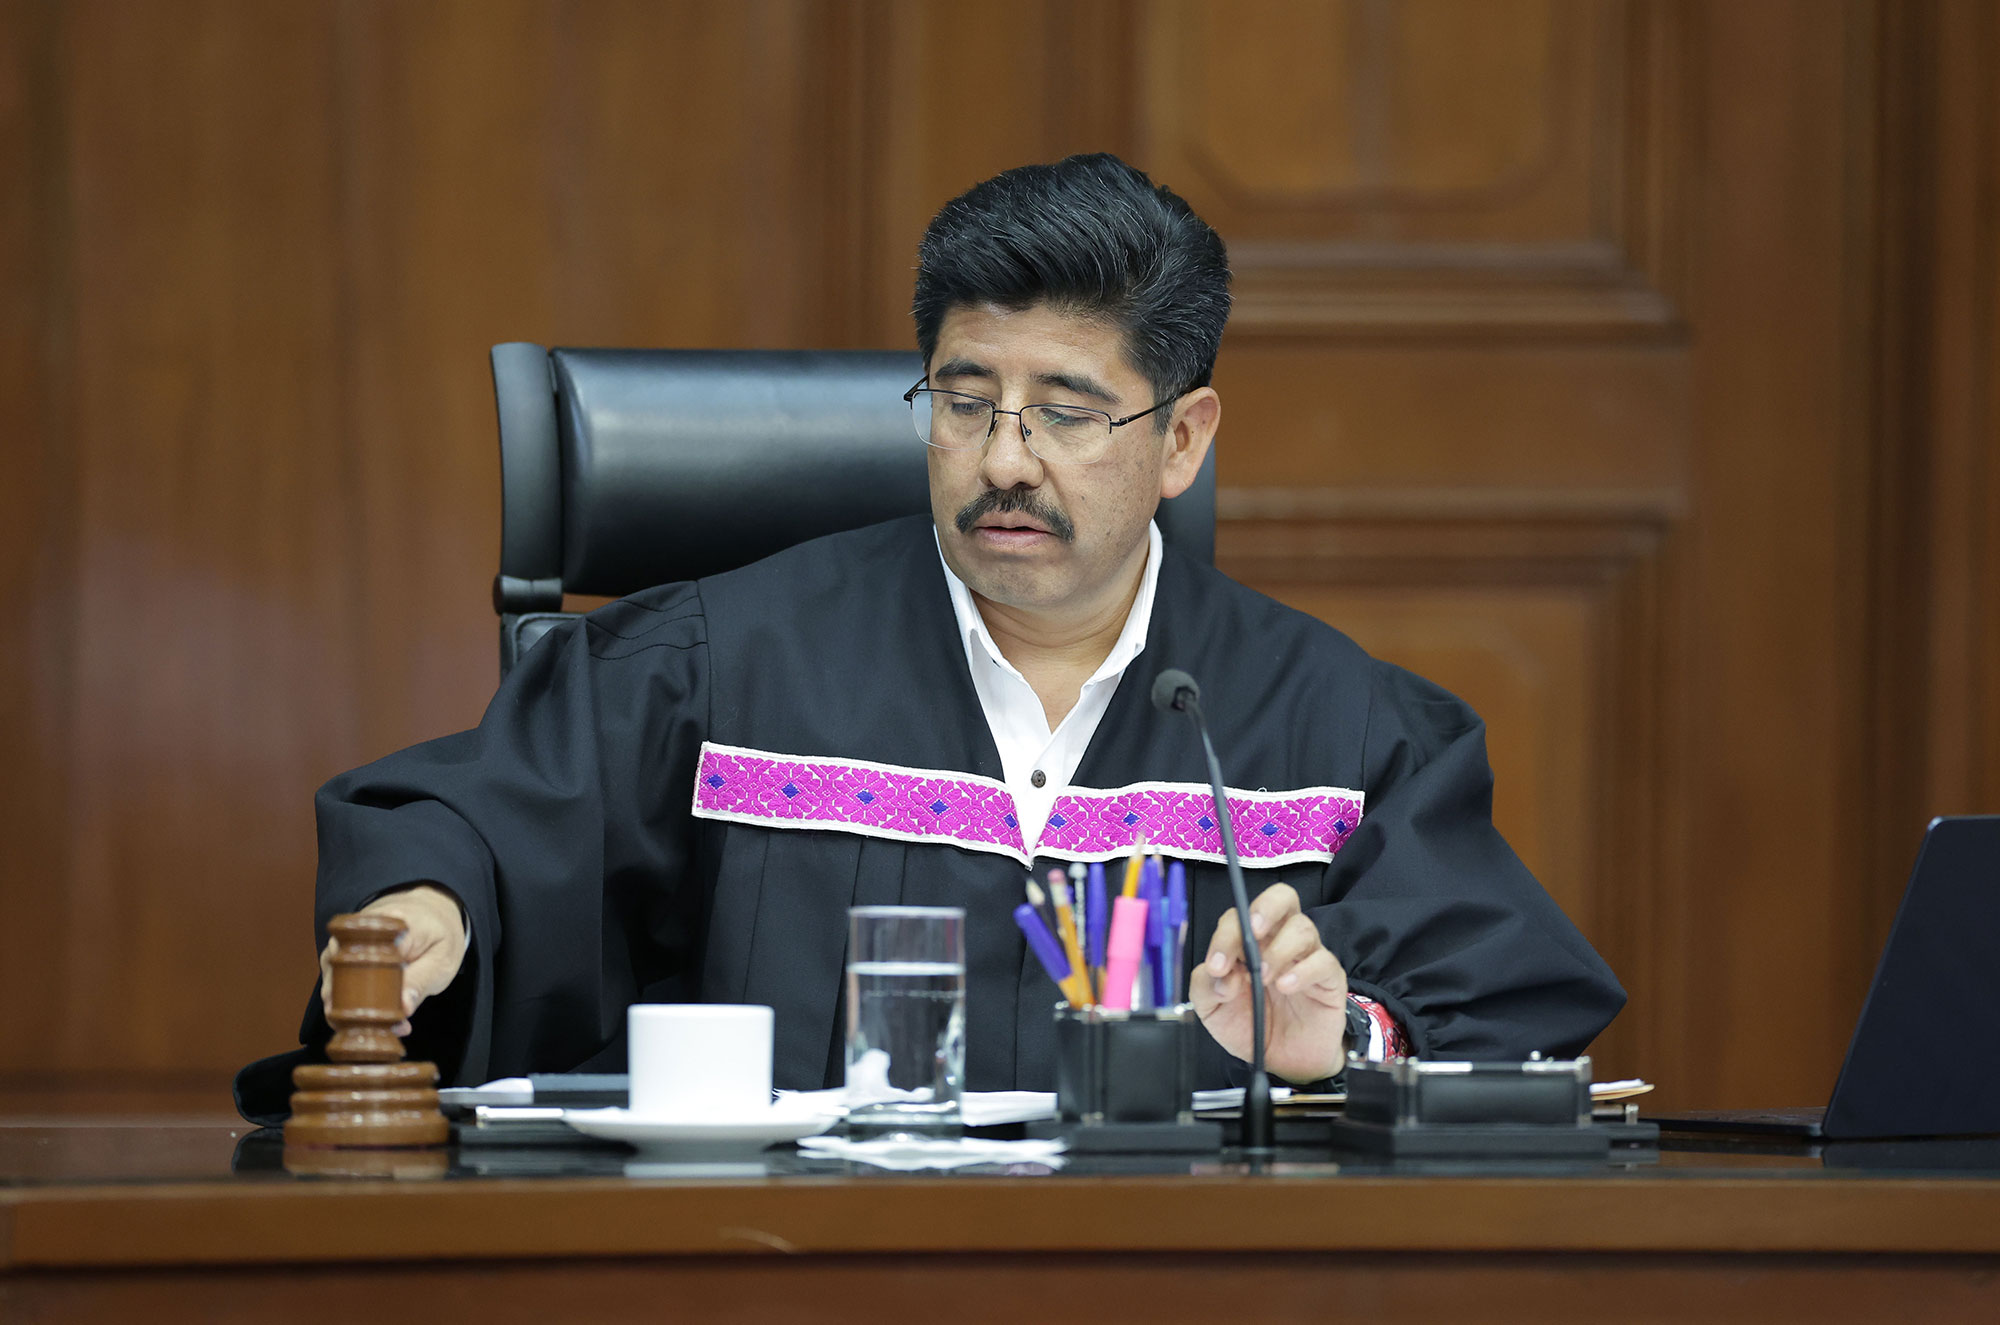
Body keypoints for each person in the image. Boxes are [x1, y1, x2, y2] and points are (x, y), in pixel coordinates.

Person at [236, 154, 1623, 1120]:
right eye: (964, 403)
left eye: (1066, 412)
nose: (1004, 459)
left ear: (1183, 439)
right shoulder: (726, 668)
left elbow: (1499, 998)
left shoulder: (1332, 725)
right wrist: (432, 906)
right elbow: (483, 823)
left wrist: (1342, 1039)